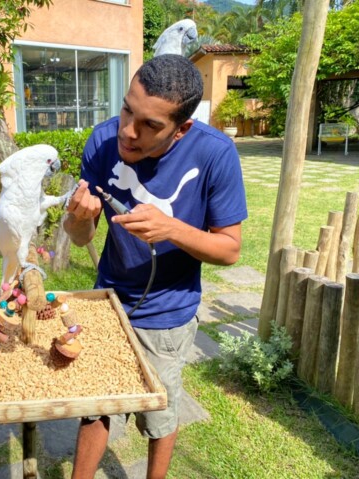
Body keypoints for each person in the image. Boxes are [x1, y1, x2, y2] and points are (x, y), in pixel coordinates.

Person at [63, 54, 248, 479]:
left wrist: (171, 229)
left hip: (166, 313)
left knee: (159, 415)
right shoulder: (103, 141)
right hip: (108, 299)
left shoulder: (215, 154)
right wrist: (78, 216)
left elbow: (229, 250)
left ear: (181, 128)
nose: (128, 131)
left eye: (150, 125)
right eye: (128, 108)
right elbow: (82, 237)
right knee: (96, 406)